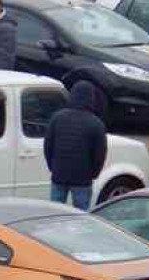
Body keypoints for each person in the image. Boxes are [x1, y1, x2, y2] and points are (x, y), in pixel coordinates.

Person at [43, 81, 107, 211]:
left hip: (59, 174)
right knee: (81, 215)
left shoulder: (57, 118)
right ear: (91, 98)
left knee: (55, 212)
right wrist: (93, 174)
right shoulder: (96, 123)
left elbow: (48, 145)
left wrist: (53, 167)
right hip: (82, 178)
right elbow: (100, 154)